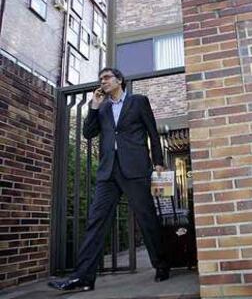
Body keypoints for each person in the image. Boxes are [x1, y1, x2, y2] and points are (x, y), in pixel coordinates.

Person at [48, 68, 169, 292]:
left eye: (107, 78)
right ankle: (83, 277)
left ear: (119, 80)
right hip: (108, 172)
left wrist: (158, 162)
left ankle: (162, 265)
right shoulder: (102, 108)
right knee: (95, 221)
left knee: (147, 218)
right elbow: (88, 133)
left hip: (135, 169)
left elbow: (152, 132)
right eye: (100, 79)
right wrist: (93, 106)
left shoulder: (138, 101)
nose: (103, 81)